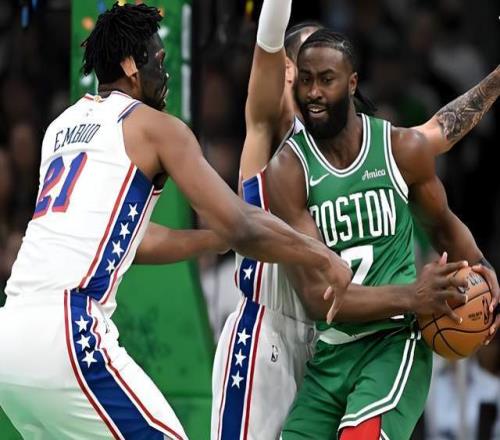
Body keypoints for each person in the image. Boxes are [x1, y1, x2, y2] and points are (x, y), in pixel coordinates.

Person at [0, 4, 354, 440]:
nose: (164, 74)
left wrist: (209, 240)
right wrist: (321, 256)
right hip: (68, 333)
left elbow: (128, 239)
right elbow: (242, 225)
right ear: (131, 66)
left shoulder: (61, 127)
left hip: (10, 337)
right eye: (158, 60)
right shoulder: (155, 127)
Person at [212, 0, 500, 438]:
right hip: (268, 334)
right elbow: (268, 40)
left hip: (325, 340)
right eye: (304, 67)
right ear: (286, 71)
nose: (313, 81)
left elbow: (440, 131)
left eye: (326, 70)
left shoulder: (375, 143)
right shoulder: (272, 137)